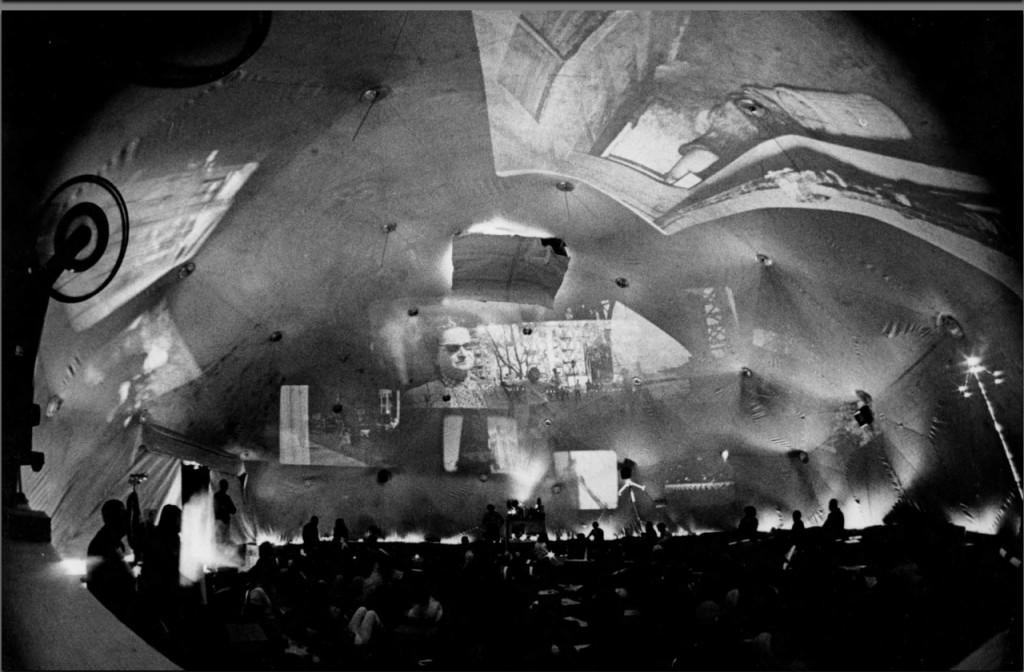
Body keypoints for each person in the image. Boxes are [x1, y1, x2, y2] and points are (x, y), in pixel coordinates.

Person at [404, 323, 503, 409]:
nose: (463, 354)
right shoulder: (419, 396)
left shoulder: (490, 392)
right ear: (436, 357)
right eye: (453, 348)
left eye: (467, 346)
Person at [85, 499, 136, 623]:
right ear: (115, 520)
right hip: (112, 611)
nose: (126, 522)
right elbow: (108, 580)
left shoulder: (110, 541)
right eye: (123, 518)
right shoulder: (103, 544)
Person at [212, 478, 236, 544]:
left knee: (218, 540)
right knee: (223, 541)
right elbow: (233, 510)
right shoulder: (226, 498)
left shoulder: (216, 496)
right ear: (226, 487)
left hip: (218, 522)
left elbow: (233, 510)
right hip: (224, 522)